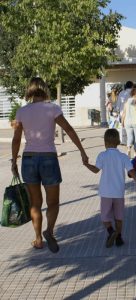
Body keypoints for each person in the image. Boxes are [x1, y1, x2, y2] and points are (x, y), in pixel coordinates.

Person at [11, 77, 88, 253]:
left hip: (29, 159)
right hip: (48, 159)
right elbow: (68, 129)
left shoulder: (22, 111)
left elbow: (16, 139)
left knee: (35, 203)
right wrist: (82, 151)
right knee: (53, 202)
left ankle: (38, 239)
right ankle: (49, 231)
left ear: (29, 90)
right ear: (44, 89)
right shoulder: (52, 108)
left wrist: (14, 161)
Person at [84, 128, 136, 247]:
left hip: (106, 193)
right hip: (118, 193)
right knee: (119, 217)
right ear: (118, 141)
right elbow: (132, 172)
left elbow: (96, 170)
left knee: (105, 217)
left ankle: (111, 231)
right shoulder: (123, 157)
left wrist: (86, 164)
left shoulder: (102, 155)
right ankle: (119, 238)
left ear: (105, 142)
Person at [122, 88, 136, 157]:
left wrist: (122, 122)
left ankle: (128, 149)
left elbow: (124, 113)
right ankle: (135, 152)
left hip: (127, 122)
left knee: (129, 137)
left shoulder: (126, 102)